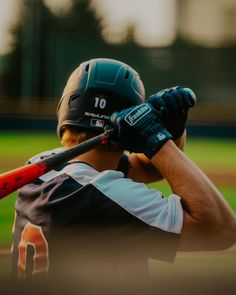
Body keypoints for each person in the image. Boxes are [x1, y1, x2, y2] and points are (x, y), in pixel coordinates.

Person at [11, 58, 236, 294]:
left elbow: (150, 168)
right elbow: (221, 230)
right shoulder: (97, 196)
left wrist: (171, 131)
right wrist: (154, 136)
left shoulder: (45, 166)